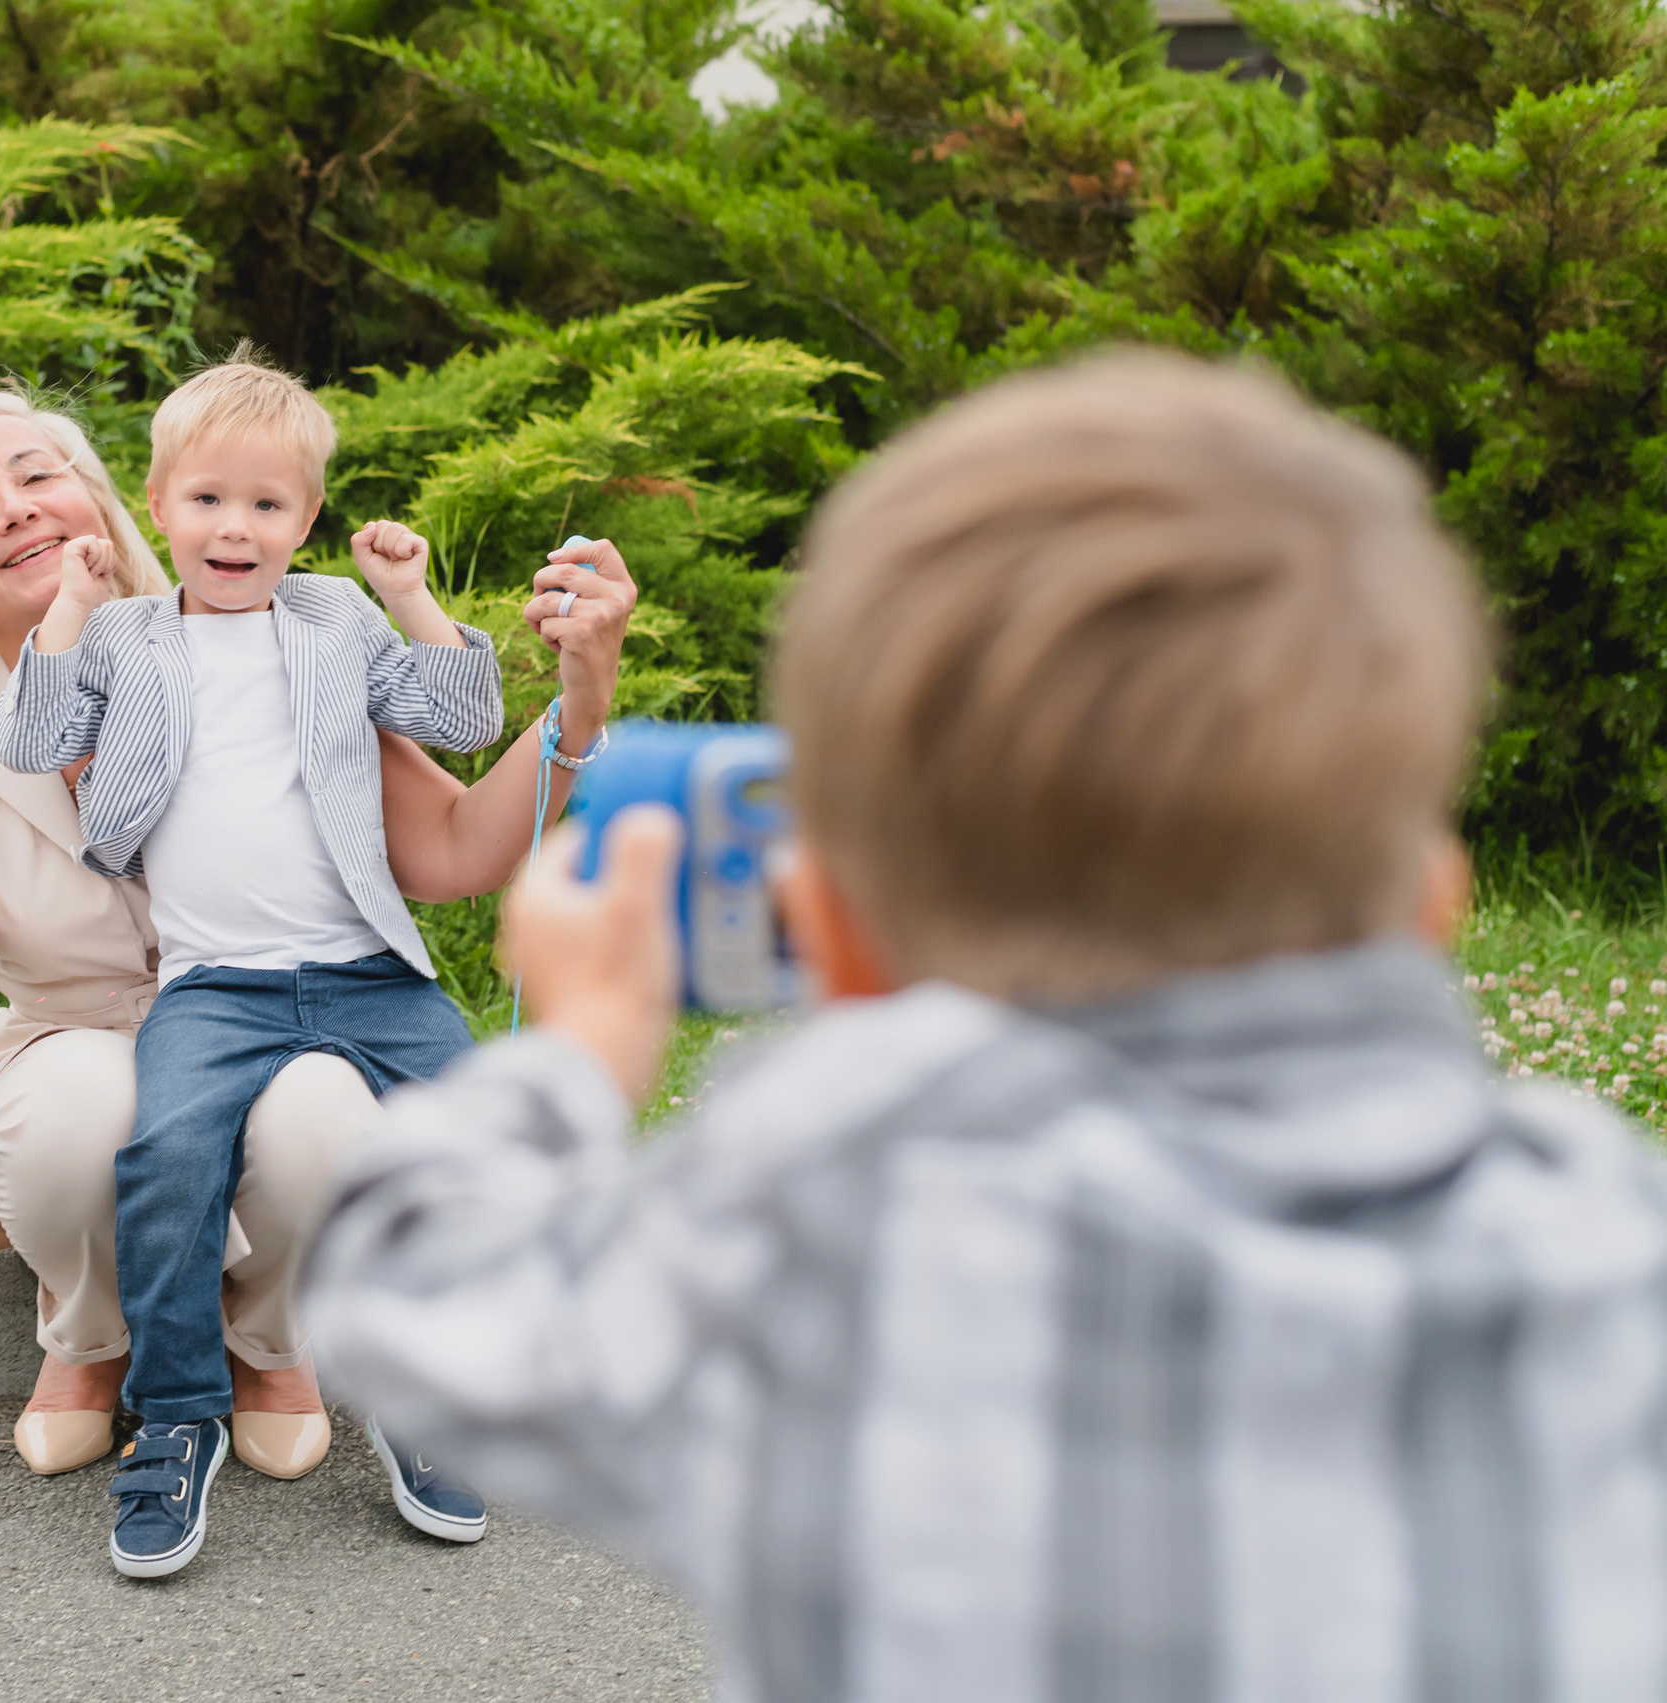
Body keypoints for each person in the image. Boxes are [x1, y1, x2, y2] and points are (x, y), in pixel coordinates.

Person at [303, 352, 1667, 1700]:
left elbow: (399, 1285)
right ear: (1436, 903)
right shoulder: (1610, 1229)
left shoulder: (827, 1215)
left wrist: (584, 1043)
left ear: (832, 929)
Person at [0, 388, 632, 1505]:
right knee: (89, 1097)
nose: (17, 510)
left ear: (108, 500)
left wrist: (581, 704)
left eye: (37, 475)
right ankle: (97, 1332)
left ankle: (269, 1339)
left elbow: (461, 846)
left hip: (279, 1012)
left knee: (325, 1105)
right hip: (75, 1049)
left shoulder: (278, 650)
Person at [0, 356, 516, 1578]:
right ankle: (179, 1416)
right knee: (168, 1157)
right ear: (160, 504)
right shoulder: (123, 632)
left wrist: (411, 593)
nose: (237, 527)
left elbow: (464, 716)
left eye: (268, 505)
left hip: (365, 967)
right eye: (209, 500)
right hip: (214, 985)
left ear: (307, 520)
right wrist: (66, 610)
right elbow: (33, 737)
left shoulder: (335, 616)